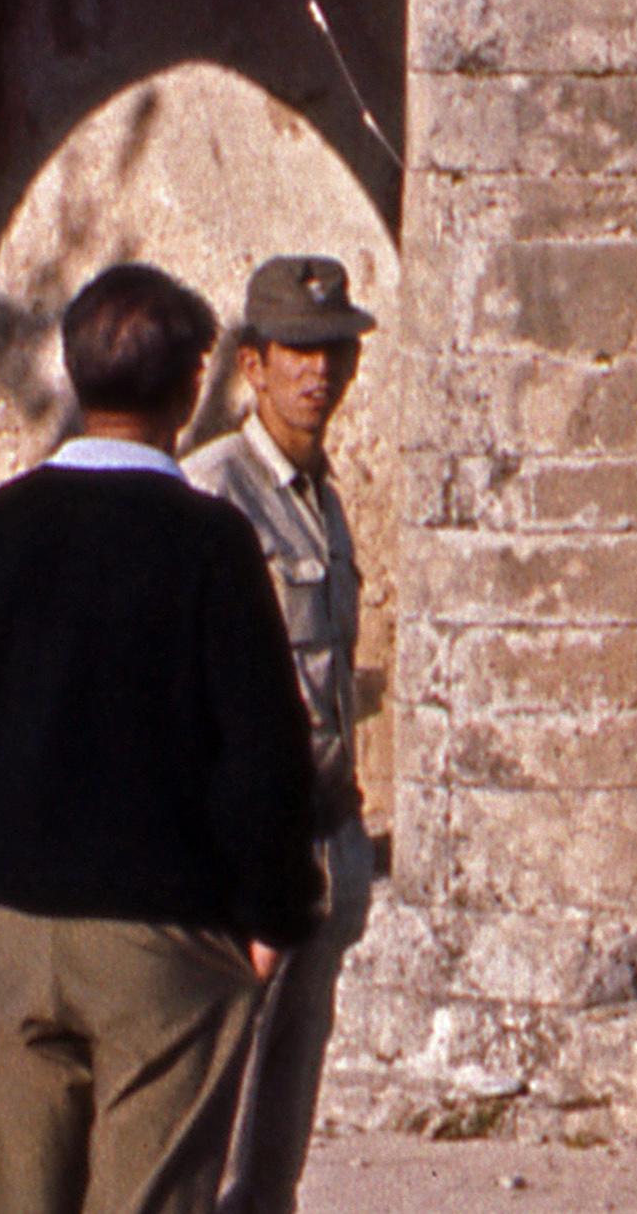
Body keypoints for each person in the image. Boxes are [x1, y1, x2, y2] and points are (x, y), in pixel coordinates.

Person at [0, 262, 324, 1214]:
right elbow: (263, 753)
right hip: (164, 940)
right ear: (187, 389)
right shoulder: (210, 544)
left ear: (78, 375)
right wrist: (269, 918)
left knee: (7, 1196)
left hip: (19, 929)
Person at [187, 252, 381, 1214]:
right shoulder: (211, 491)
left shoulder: (324, 496)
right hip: (242, 847)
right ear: (251, 365)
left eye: (335, 352)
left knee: (286, 1105)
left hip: (321, 837)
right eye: (297, 352)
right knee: (217, 1093)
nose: (320, 373)